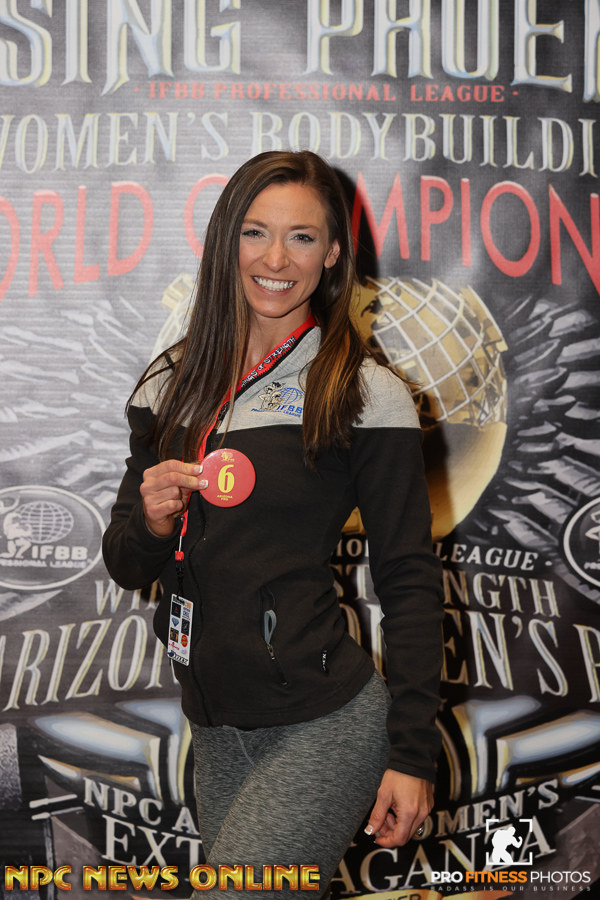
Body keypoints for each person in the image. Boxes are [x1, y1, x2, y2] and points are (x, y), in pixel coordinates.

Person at [102, 150, 443, 897]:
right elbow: (128, 563)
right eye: (255, 232)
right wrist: (152, 522)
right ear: (226, 240)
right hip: (215, 726)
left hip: (325, 723)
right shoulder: (170, 383)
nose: (275, 259)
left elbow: (409, 579)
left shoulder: (363, 391)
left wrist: (413, 753)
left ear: (332, 254)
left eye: (302, 237)